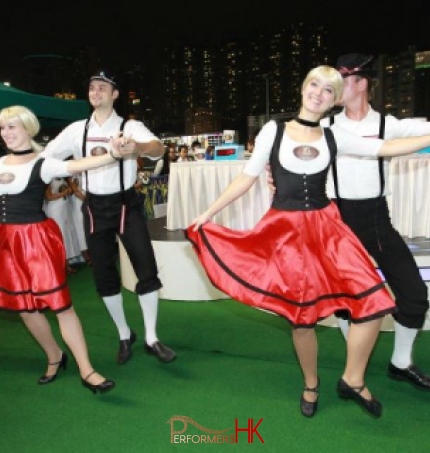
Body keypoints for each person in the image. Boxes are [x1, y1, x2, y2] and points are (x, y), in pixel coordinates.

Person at [184, 65, 430, 418]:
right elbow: (246, 177)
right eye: (314, 85)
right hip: (285, 233)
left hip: (327, 230)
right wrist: (208, 213)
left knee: (375, 304)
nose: (319, 92)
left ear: (333, 100)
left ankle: (352, 378)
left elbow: (386, 147)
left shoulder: (334, 135)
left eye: (328, 90)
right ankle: (311, 383)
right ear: (302, 89)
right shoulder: (274, 130)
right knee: (302, 319)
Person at [268, 54, 430, 391]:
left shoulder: (389, 125)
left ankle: (401, 362)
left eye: (345, 79)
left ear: (364, 82)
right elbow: (285, 157)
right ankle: (352, 366)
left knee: (414, 294)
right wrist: (275, 177)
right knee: (344, 300)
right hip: (334, 222)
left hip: (376, 219)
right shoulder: (324, 127)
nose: (335, 88)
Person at [41, 69, 176, 365]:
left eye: (103, 87)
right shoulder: (77, 129)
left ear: (115, 94)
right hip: (94, 207)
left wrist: (137, 147)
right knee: (103, 275)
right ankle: (125, 334)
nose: (96, 91)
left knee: (146, 268)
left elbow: (158, 149)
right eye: (92, 87)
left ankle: (152, 338)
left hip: (127, 204)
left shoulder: (131, 125)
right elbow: (47, 157)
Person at [0, 105, 133, 393]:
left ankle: (87, 370)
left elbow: (75, 166)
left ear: (27, 128)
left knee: (61, 307)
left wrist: (112, 155)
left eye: (11, 126)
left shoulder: (43, 162)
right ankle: (54, 356)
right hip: (7, 244)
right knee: (25, 309)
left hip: (35, 241)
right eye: (2, 127)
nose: (5, 133)